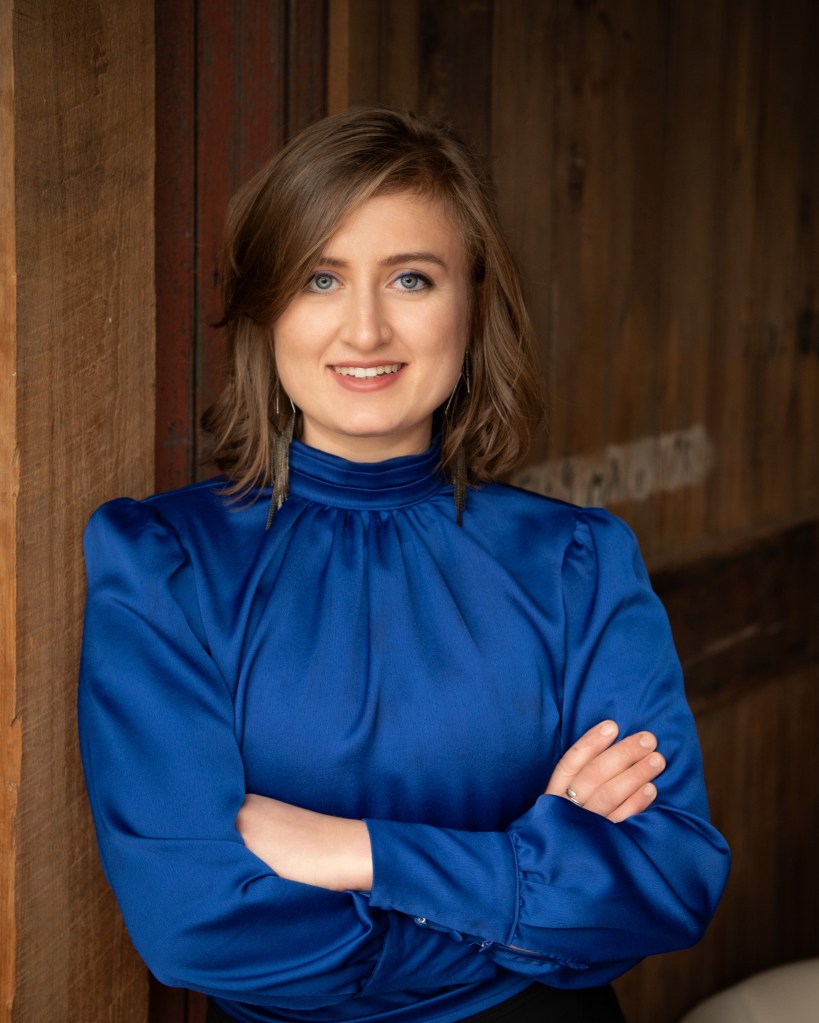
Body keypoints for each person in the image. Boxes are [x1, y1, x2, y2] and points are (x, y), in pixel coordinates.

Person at [78, 106, 729, 1023]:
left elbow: (669, 876)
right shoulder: (164, 566)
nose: (366, 329)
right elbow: (192, 920)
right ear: (267, 309)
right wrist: (526, 887)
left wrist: (360, 852)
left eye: (412, 278)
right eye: (320, 278)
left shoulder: (577, 562)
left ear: (472, 304)